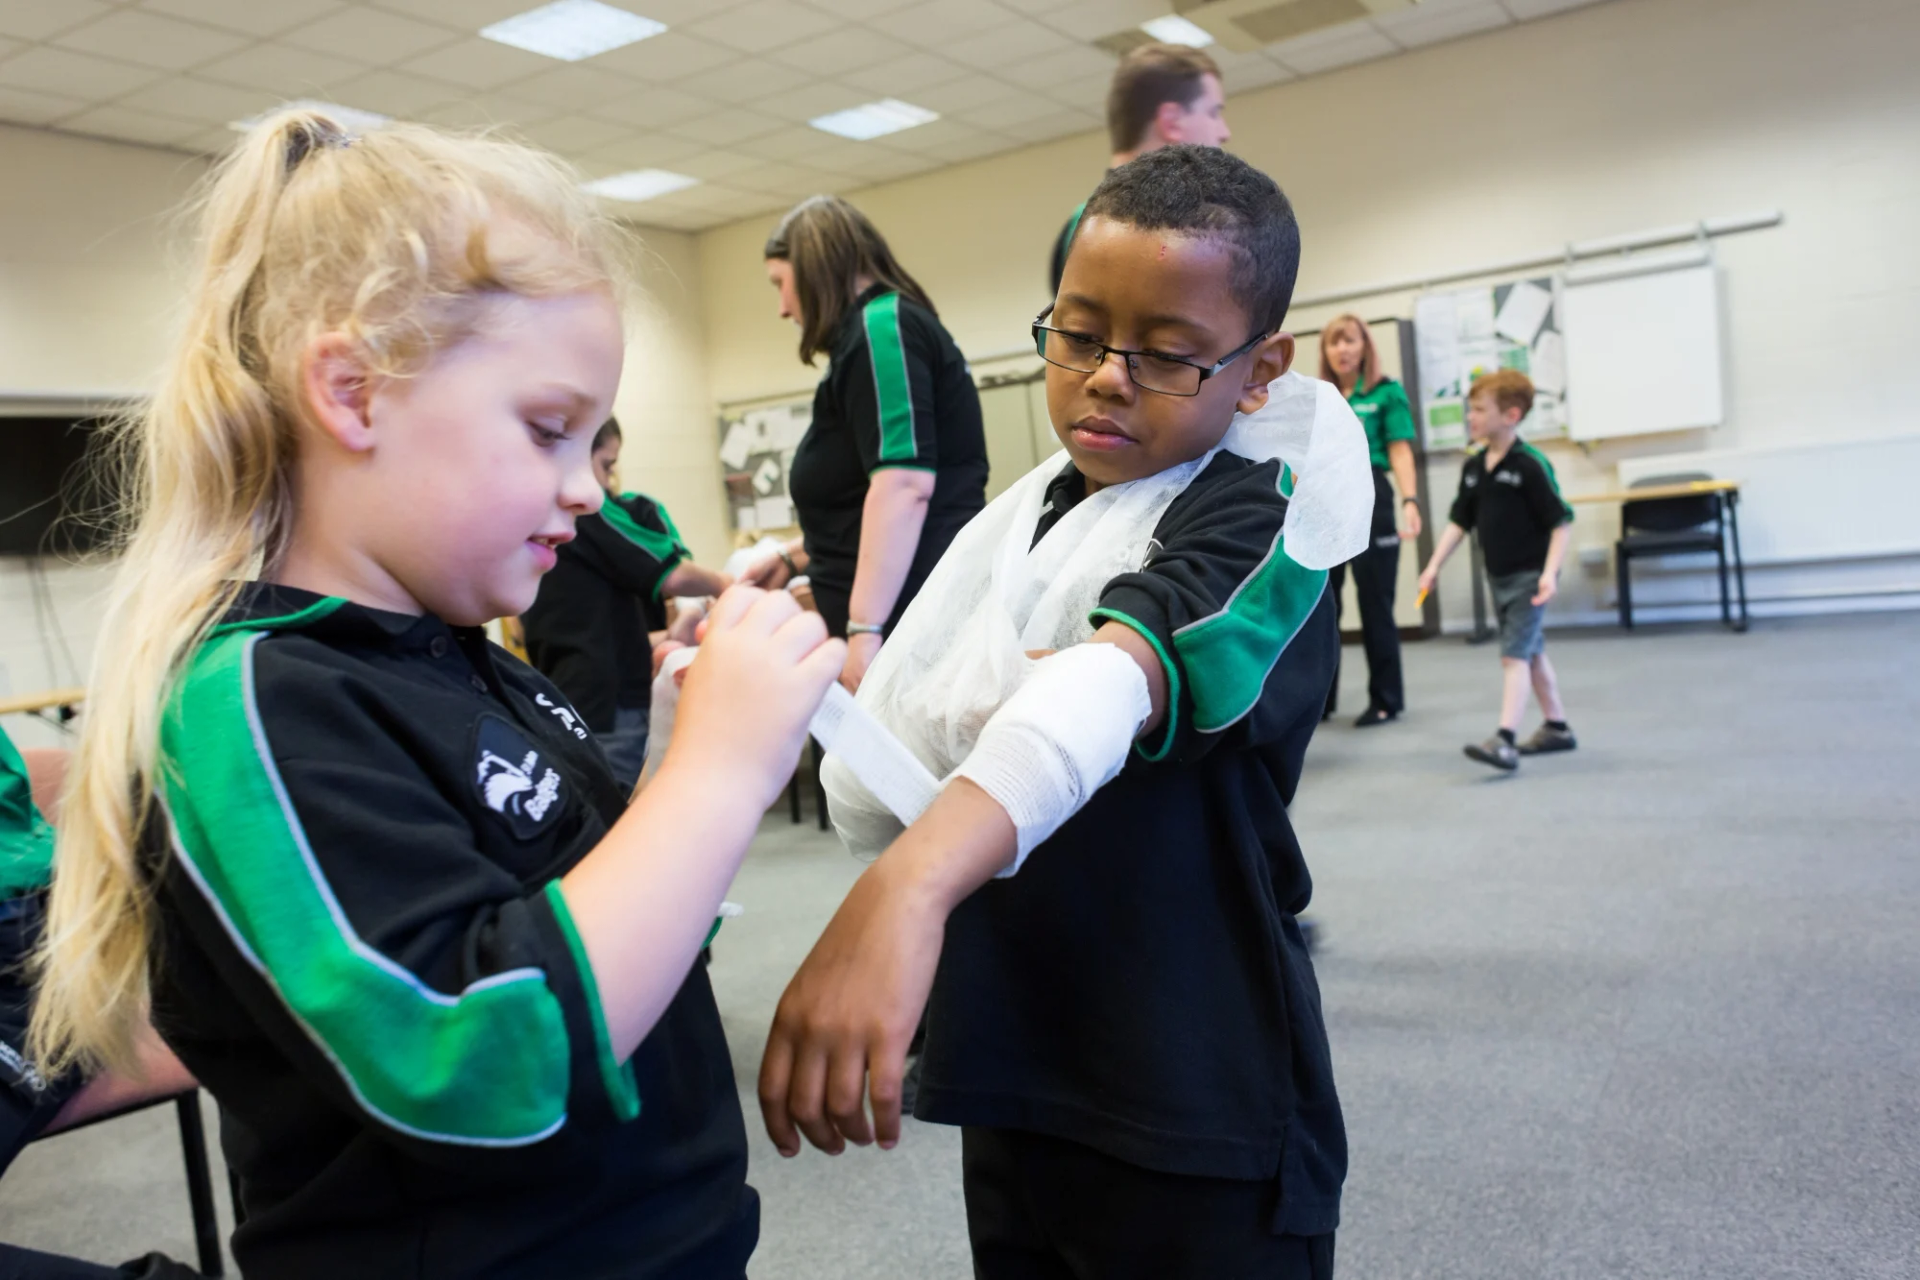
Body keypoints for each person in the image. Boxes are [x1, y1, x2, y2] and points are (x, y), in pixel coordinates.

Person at [27, 110, 843, 1278]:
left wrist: (676, 760)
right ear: (353, 392)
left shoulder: (464, 655)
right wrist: (718, 776)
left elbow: (601, 925)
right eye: (547, 431)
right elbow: (475, 1053)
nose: (583, 493)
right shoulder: (247, 699)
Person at [762, 147, 1344, 1279]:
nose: (1107, 377)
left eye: (1170, 354)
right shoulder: (1031, 519)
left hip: (1190, 1088)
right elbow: (920, 723)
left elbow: (1110, 680)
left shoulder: (1267, 515)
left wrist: (908, 883)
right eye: (1076, 336)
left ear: (1260, 367)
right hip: (1018, 1059)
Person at [750, 195, 988, 693]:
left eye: (780, 284)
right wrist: (800, 554)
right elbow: (866, 502)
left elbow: (904, 486)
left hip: (903, 628)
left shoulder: (883, 325)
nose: (782, 308)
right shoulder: (873, 333)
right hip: (891, 622)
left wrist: (864, 631)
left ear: (814, 267)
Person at [521, 415, 730, 791]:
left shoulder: (541, 518)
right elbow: (674, 573)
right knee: (626, 813)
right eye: (606, 465)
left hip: (568, 691)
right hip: (610, 700)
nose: (606, 482)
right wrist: (730, 584)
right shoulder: (590, 511)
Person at [1415, 370, 1577, 770]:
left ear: (1511, 415)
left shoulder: (1530, 465)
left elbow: (1561, 522)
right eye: (1470, 409)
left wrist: (1549, 573)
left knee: (1514, 656)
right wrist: (1433, 565)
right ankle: (1557, 726)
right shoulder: (1474, 467)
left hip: (1529, 579)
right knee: (1531, 652)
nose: (1471, 417)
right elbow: (1459, 522)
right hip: (1499, 577)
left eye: (1479, 409)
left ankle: (1504, 738)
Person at [1048, 41, 1231, 296]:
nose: (1224, 132)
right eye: (1213, 113)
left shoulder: (1088, 223)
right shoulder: (1110, 228)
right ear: (1172, 121)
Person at [1319, 314, 1422, 725]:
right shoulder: (1321, 397)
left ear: (1365, 346)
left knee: (1375, 603)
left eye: (1350, 341)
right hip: (1326, 499)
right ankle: (1321, 701)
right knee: (1324, 606)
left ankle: (1385, 699)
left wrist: (1411, 500)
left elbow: (1399, 450)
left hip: (1372, 495)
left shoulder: (1386, 392)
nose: (1342, 349)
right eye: (1333, 342)